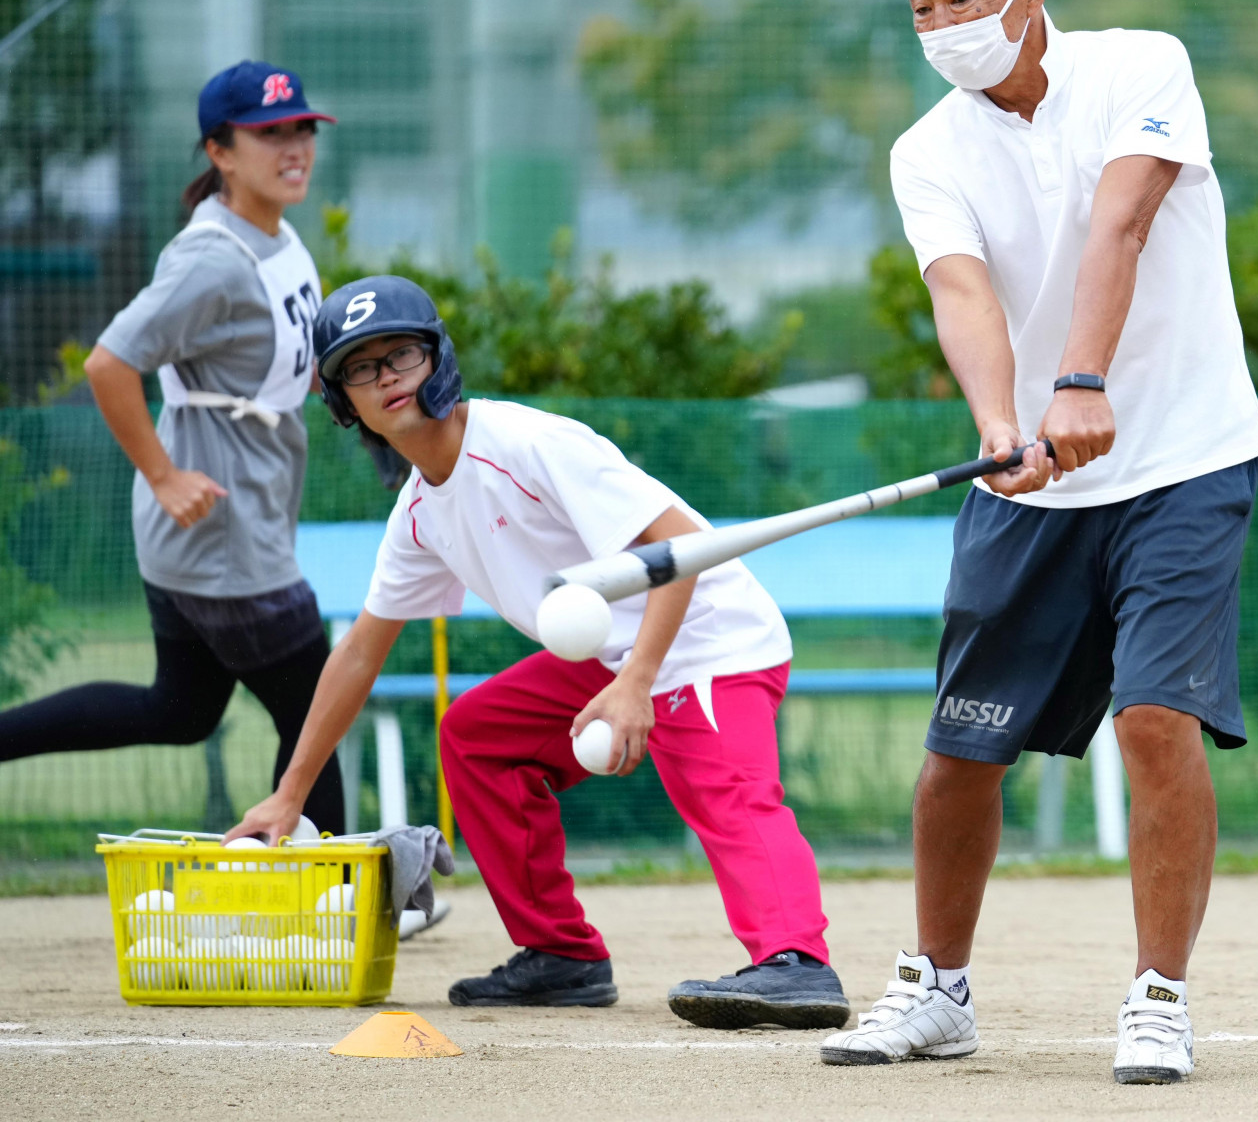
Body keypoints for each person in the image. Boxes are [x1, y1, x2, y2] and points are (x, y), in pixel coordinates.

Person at [819, 0, 1258, 1085]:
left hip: (1183, 454)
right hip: (1032, 479)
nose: (941, 22)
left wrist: (1079, 378)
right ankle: (938, 987)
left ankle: (1159, 996)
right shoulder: (927, 151)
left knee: (1155, 719)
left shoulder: (1139, 64)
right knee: (959, 754)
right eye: (920, 4)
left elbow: (1120, 223)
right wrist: (1000, 422)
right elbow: (961, 295)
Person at [229, 276, 849, 1028]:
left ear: (439, 361)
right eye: (360, 367)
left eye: (401, 354)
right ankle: (561, 956)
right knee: (478, 735)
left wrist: (639, 685)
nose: (386, 375)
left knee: (724, 794)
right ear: (341, 401)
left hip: (705, 635)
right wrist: (290, 795)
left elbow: (682, 547)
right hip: (615, 655)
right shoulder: (421, 512)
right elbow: (362, 650)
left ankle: (797, 963)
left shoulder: (525, 444)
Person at [0, 61, 345, 837]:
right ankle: (340, 904)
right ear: (219, 151)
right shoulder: (211, 258)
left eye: (301, 130)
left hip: (221, 533)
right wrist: (162, 475)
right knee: (315, 720)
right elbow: (108, 363)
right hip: (224, 539)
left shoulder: (274, 233)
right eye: (267, 133)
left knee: (182, 709)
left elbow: (280, 358)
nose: (293, 147)